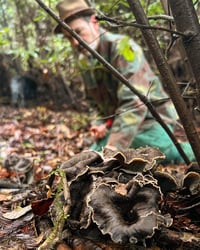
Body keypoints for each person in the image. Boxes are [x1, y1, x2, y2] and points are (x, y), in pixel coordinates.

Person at [54, 0, 195, 163]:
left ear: (94, 22)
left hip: (154, 122)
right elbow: (93, 103)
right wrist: (99, 124)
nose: (75, 42)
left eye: (78, 32)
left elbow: (135, 104)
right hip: (121, 128)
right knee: (89, 158)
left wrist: (113, 147)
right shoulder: (86, 61)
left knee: (134, 155)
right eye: (69, 38)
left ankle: (187, 153)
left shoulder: (122, 49)